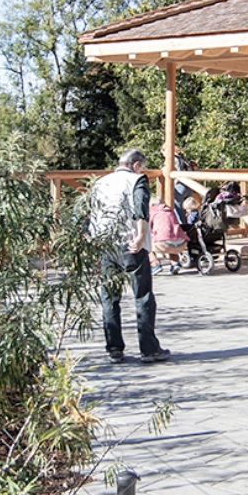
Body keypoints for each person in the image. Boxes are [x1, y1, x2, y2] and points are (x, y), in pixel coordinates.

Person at [87, 148, 172, 364]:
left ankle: (114, 348)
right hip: (130, 243)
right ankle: (149, 349)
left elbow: (90, 213)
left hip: (106, 243)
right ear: (135, 164)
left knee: (109, 296)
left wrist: (91, 241)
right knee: (142, 295)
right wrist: (141, 236)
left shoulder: (100, 183)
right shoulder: (137, 181)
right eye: (141, 166)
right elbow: (140, 210)